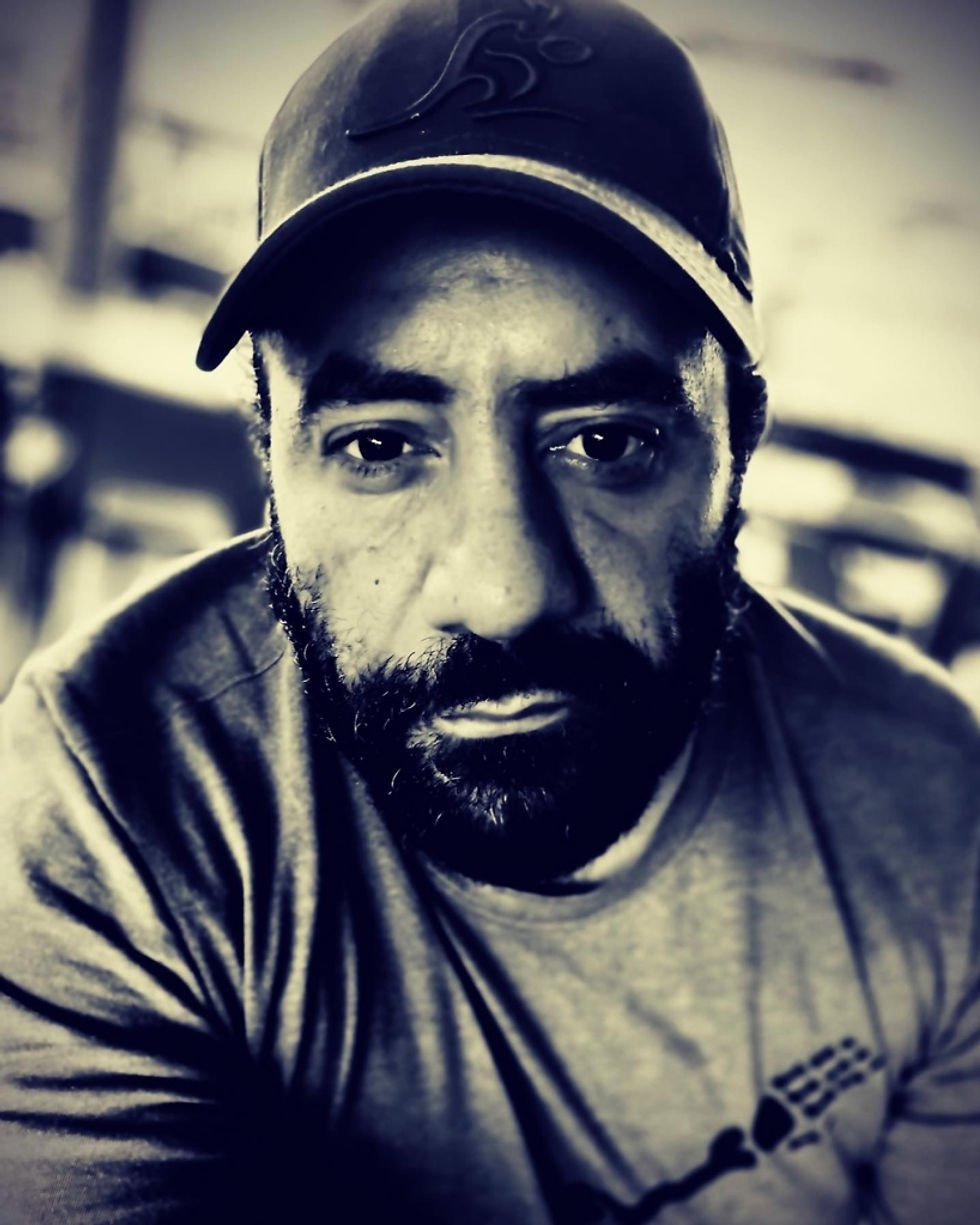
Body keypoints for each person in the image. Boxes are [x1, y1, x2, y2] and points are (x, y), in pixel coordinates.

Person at [1, 0, 978, 1221]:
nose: (503, 592)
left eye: (604, 441)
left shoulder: (937, 807)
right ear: (269, 455)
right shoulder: (111, 791)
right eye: (378, 446)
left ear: (738, 440)